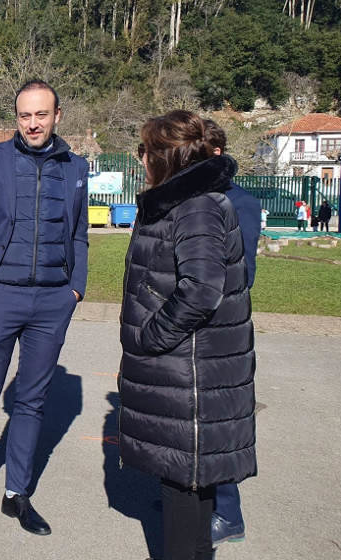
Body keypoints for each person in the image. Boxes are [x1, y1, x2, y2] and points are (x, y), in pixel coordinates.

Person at [0, 80, 89, 539]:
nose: (33, 123)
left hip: (52, 301)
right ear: (17, 117)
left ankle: (16, 495)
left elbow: (79, 235)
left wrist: (74, 291)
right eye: (25, 115)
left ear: (57, 116)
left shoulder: (76, 168)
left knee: (31, 402)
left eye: (41, 115)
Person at [119, 110, 256, 560]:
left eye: (145, 151)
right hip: (181, 375)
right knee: (187, 500)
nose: (141, 159)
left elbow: (201, 290)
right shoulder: (182, 201)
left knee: (184, 507)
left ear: (166, 156)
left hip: (189, 378)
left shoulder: (196, 205)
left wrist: (150, 336)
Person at [203, 119, 262, 548]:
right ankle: (199, 505)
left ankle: (229, 513)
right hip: (198, 325)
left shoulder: (238, 202)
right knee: (197, 422)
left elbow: (241, 273)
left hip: (220, 327)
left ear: (217, 154)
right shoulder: (200, 197)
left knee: (218, 424)